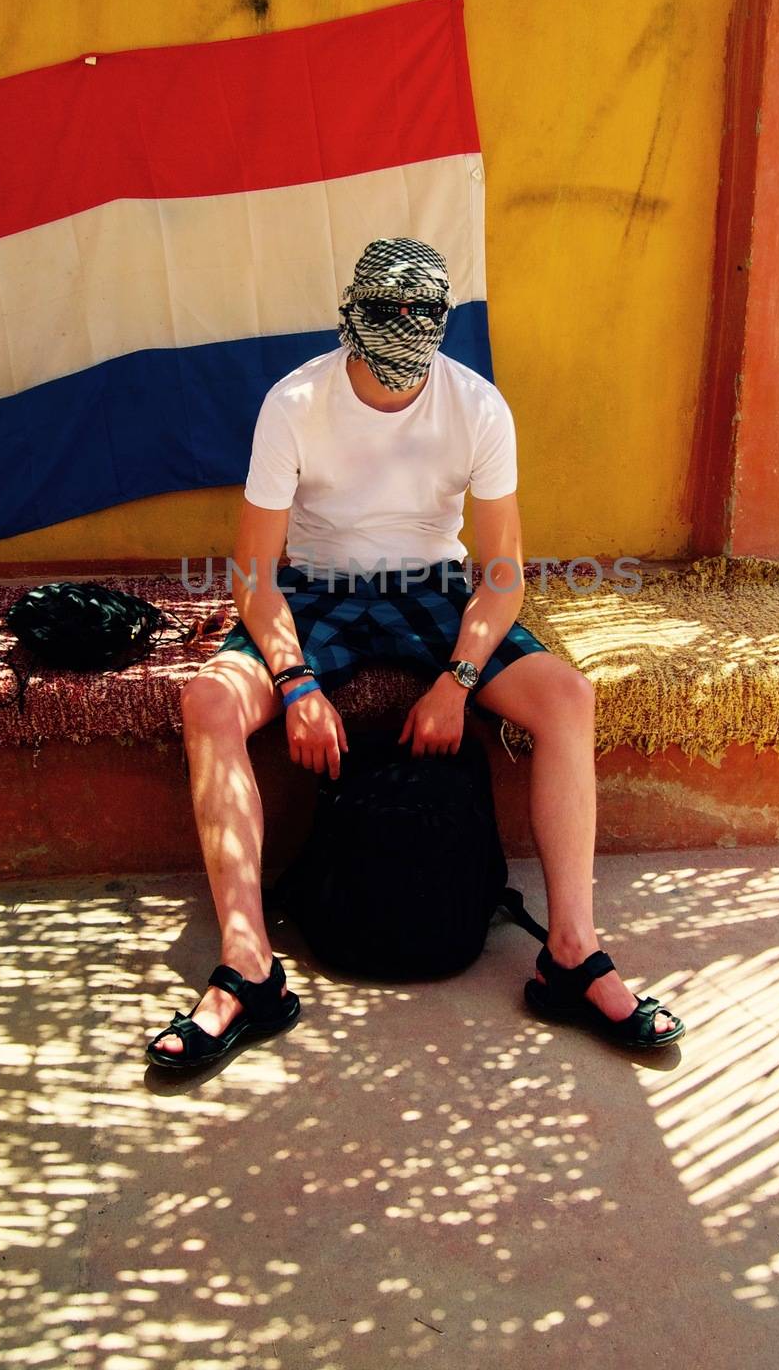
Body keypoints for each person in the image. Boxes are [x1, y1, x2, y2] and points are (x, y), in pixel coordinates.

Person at [147, 238, 684, 1067]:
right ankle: (248, 965)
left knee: (566, 698)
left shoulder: (477, 406)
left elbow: (501, 576)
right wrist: (293, 681)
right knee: (208, 702)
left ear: (441, 325)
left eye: (420, 320)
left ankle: (572, 953)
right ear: (350, 317)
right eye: (384, 318)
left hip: (435, 588)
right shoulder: (294, 403)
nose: (401, 336)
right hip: (317, 588)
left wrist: (457, 681)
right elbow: (253, 575)